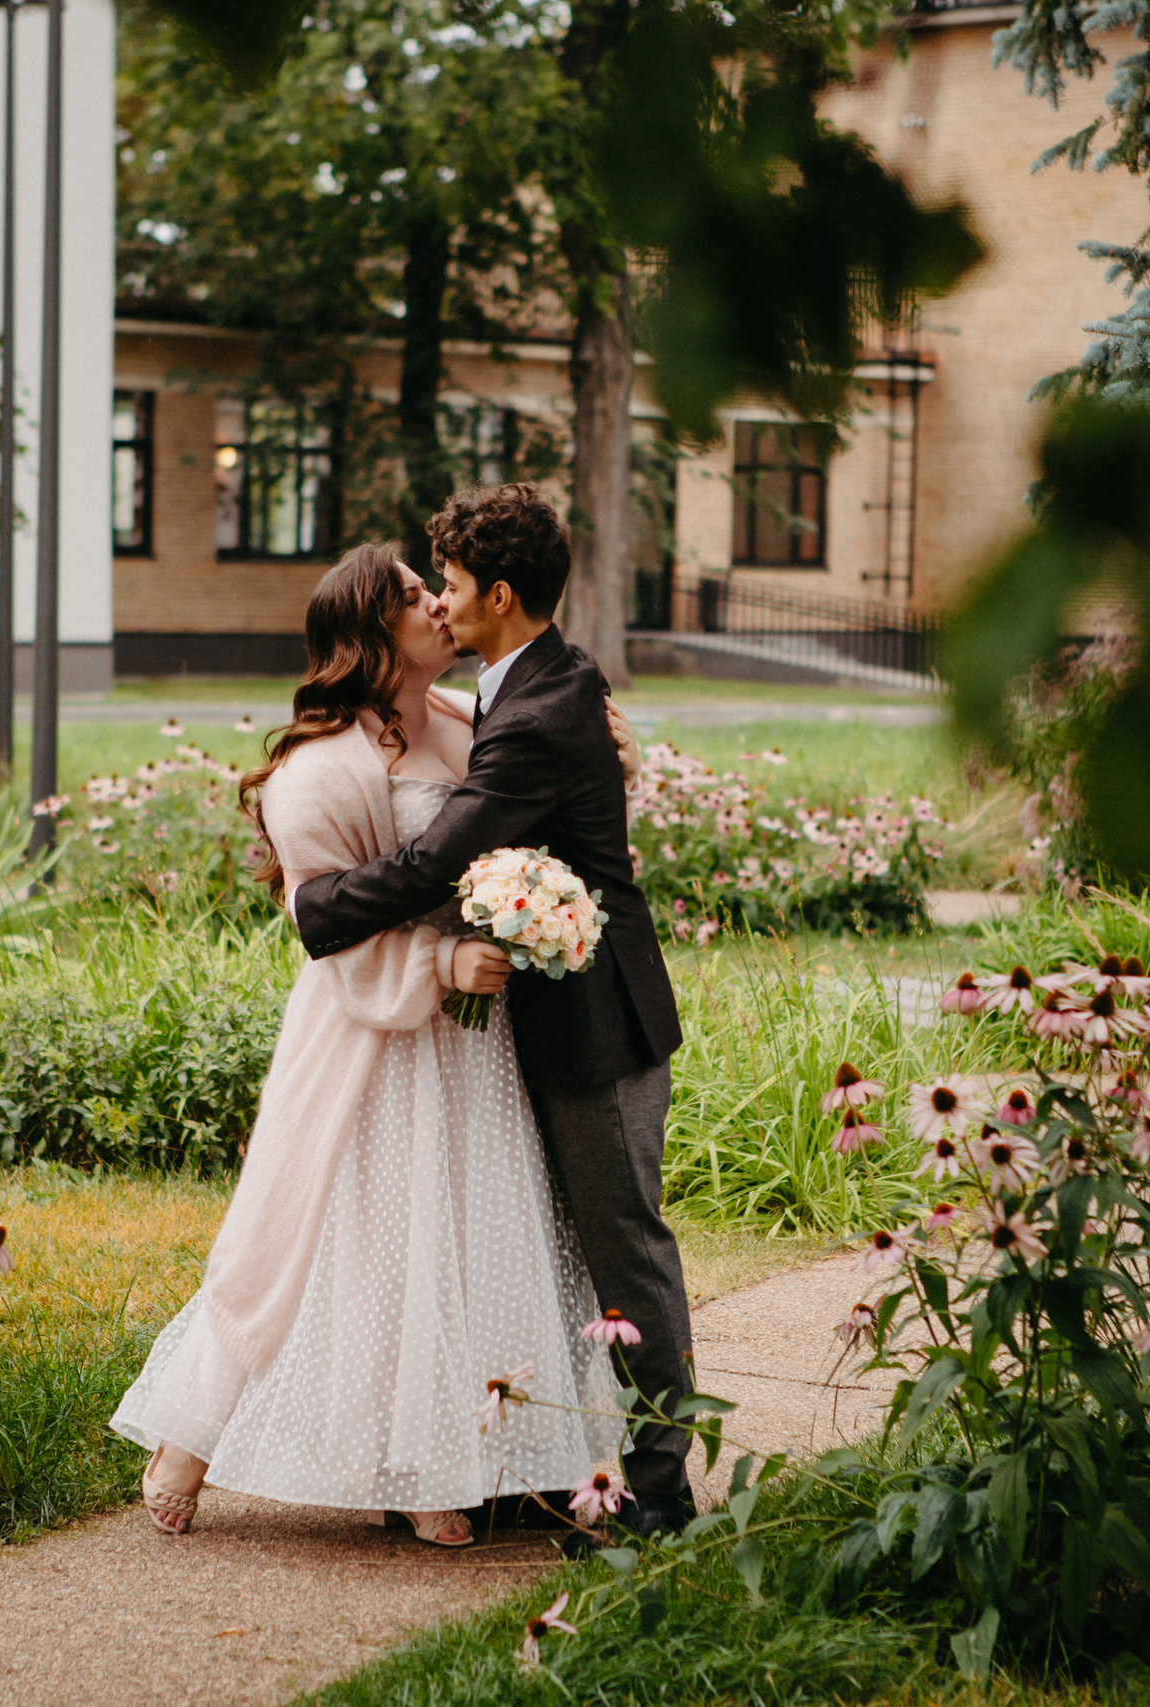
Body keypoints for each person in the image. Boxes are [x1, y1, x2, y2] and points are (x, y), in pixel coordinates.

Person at [108, 541, 636, 1543]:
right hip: (370, 1035)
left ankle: (444, 1459)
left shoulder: (466, 723)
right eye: (410, 596)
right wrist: (439, 968)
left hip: (474, 1042)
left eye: (434, 588)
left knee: (461, 1241)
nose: (438, 603)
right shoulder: (317, 774)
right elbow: (331, 935)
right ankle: (190, 1441)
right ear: (368, 634)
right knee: (334, 1242)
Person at [290, 484, 694, 1537]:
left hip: (596, 1027)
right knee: (575, 1252)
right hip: (563, 1017)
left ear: (500, 595)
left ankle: (661, 1491)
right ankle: (548, 1457)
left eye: (455, 587)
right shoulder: (536, 682)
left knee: (623, 1248)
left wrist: (319, 903)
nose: (440, 605)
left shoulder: (537, 713)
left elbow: (433, 859)